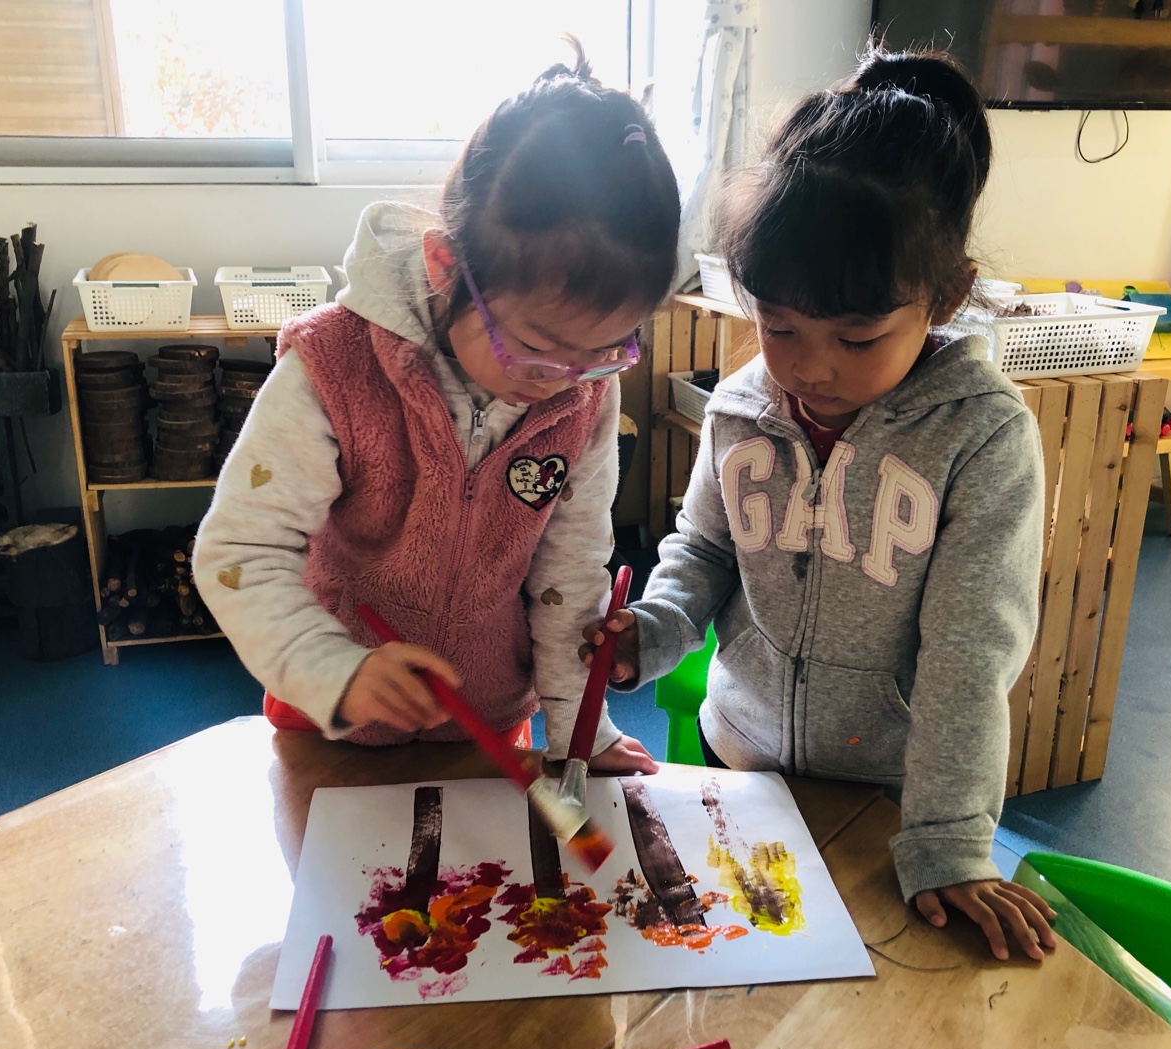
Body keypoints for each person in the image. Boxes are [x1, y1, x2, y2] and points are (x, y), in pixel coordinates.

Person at [582, 46, 1057, 959]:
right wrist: (658, 626)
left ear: (946, 296)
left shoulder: (982, 437)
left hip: (893, 796)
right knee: (738, 976)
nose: (811, 366)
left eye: (857, 337)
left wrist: (950, 842)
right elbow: (705, 549)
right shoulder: (739, 409)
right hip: (738, 758)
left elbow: (968, 659)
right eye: (780, 326)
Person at [196, 41, 678, 773]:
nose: (566, 380)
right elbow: (239, 551)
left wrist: (582, 732)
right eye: (537, 347)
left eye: (607, 350)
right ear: (445, 265)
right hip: (330, 720)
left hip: (486, 722)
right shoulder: (334, 365)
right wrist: (336, 672)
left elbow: (571, 575)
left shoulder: (586, 389)